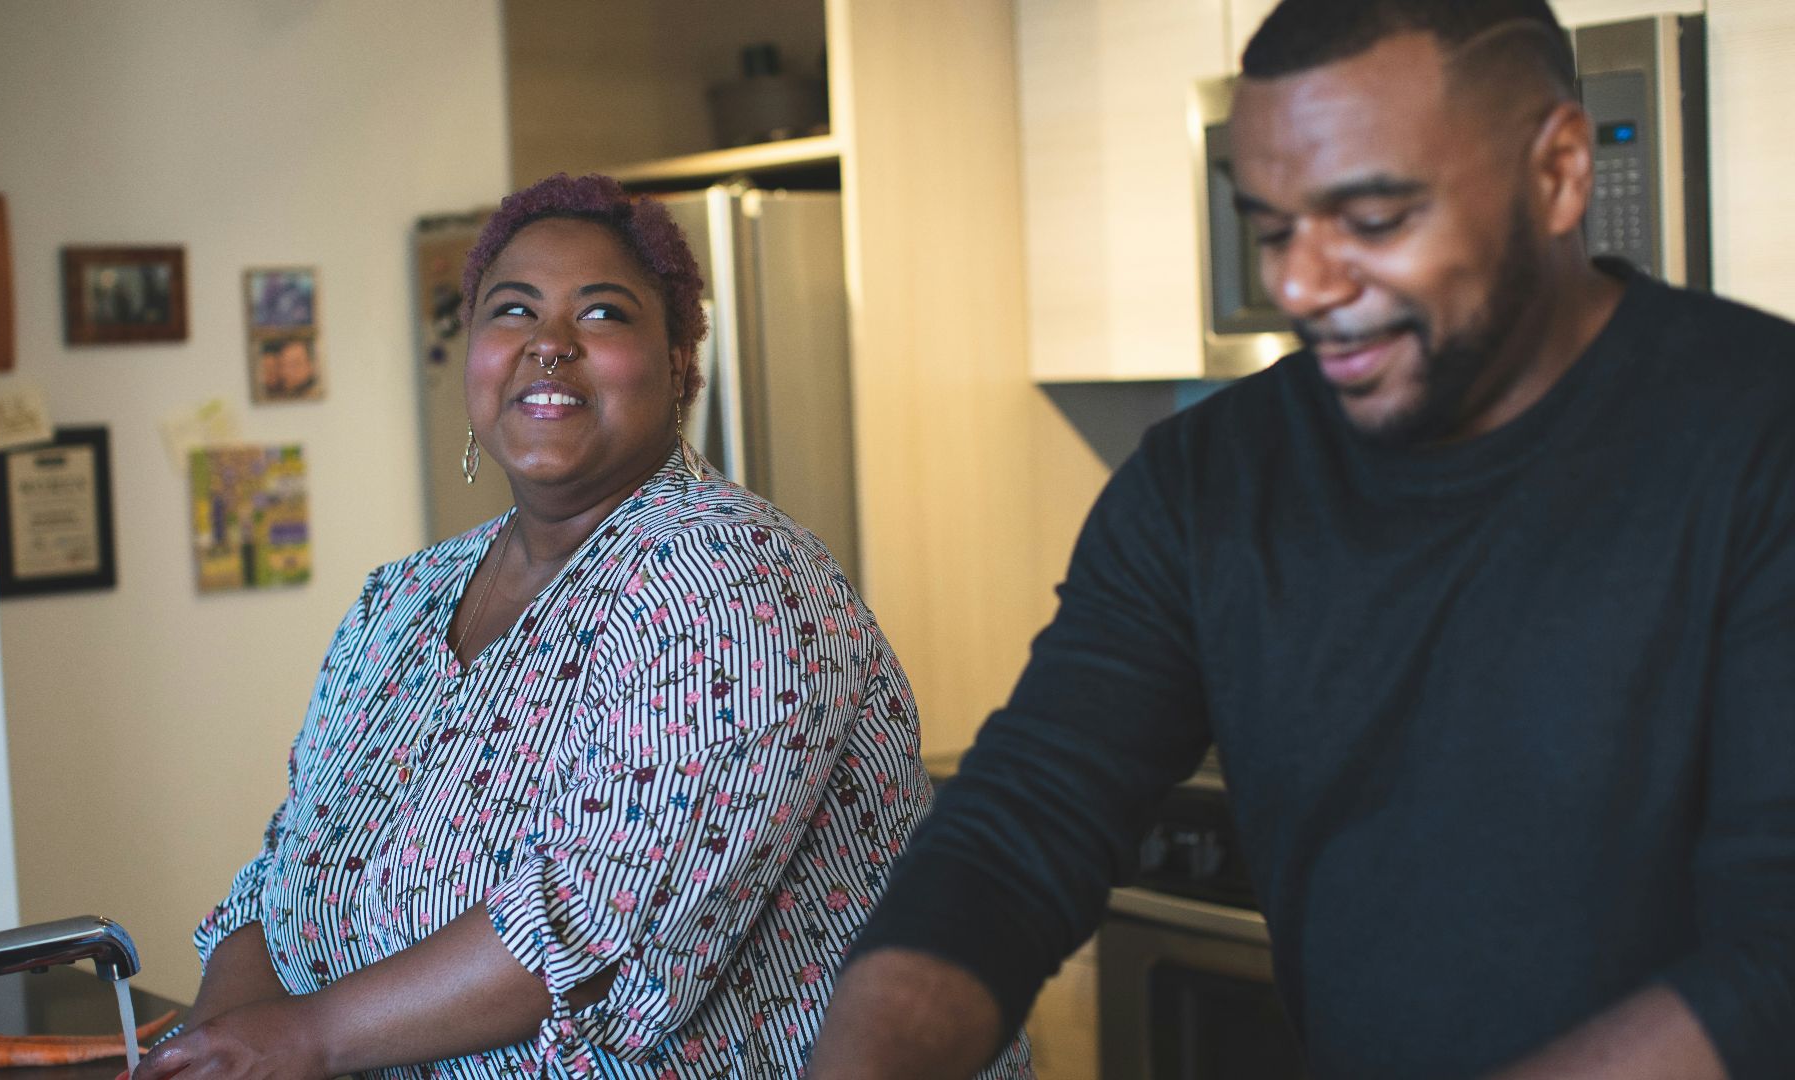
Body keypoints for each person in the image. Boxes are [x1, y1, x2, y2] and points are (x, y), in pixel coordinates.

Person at [810, 2, 1795, 1078]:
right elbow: (1019, 830)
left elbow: (1776, 954)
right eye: (1275, 231)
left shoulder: (1760, 436)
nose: (1301, 287)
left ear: (1559, 173)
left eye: (1372, 220)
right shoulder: (1206, 483)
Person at [135, 173, 1028, 1079]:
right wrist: (217, 1035)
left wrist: (304, 1037)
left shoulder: (737, 578)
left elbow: (593, 921)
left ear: (681, 361)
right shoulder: (399, 601)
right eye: (512, 311)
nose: (549, 345)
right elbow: (288, 866)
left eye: (602, 315)